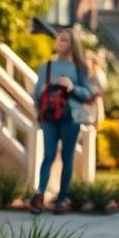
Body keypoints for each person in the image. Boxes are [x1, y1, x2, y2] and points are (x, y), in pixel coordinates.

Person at [29, 28, 94, 214]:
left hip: (70, 118)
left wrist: (72, 87)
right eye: (59, 39)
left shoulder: (80, 68)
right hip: (49, 118)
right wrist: (39, 112)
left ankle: (62, 198)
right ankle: (39, 195)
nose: (60, 42)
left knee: (67, 157)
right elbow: (36, 95)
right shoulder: (46, 67)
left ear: (72, 45)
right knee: (48, 155)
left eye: (65, 40)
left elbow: (87, 94)